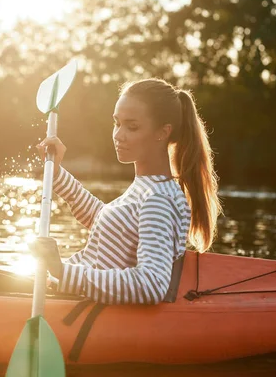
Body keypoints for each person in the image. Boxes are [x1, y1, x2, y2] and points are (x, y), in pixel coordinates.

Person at [30, 78, 222, 305]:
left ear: (162, 132)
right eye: (116, 123)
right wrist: (57, 174)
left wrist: (62, 270)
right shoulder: (148, 187)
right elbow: (108, 223)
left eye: (132, 127)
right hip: (62, 290)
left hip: (81, 306)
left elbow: (151, 284)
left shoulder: (158, 200)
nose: (118, 135)